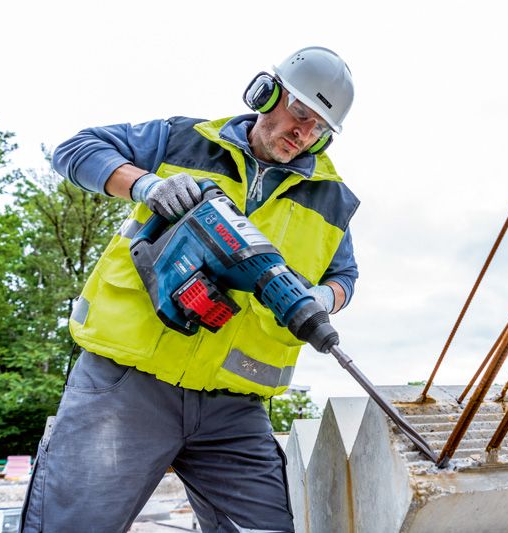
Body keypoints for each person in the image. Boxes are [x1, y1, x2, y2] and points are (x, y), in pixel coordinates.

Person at [20, 46, 358, 533]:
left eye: (319, 128)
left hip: (234, 408)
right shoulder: (183, 140)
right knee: (71, 525)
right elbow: (75, 150)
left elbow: (344, 277)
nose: (303, 133)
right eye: (300, 112)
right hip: (126, 384)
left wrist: (323, 299)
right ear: (266, 94)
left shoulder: (334, 199)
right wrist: (144, 185)